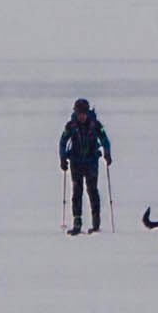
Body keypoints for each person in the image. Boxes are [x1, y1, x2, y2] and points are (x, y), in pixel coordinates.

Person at [58, 96, 113, 231]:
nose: (81, 116)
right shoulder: (71, 126)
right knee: (77, 191)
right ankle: (77, 222)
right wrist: (62, 158)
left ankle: (96, 222)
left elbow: (105, 139)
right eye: (79, 113)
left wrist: (107, 154)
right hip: (76, 162)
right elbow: (62, 142)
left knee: (92, 190)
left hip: (91, 162)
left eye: (83, 113)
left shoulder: (96, 125)